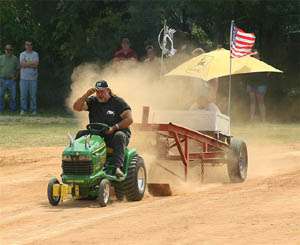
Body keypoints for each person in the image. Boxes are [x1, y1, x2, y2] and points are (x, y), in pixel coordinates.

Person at [73, 80, 133, 177]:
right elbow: (76, 107)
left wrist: (114, 128)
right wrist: (86, 95)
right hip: (97, 134)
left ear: (108, 90)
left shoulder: (118, 102)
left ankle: (117, 167)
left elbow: (129, 119)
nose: (100, 94)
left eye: (102, 91)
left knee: (119, 136)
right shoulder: (92, 101)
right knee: (81, 134)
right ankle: (77, 165)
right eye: (97, 92)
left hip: (114, 134)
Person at [246, 52, 267, 122]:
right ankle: (251, 119)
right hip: (251, 83)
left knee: (260, 101)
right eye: (254, 56)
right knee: (252, 101)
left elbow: (268, 72)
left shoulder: (262, 64)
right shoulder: (249, 64)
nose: (255, 57)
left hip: (260, 84)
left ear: (259, 57)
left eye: (256, 56)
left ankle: (263, 119)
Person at [19, 40, 39, 115]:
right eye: (27, 45)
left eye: (30, 45)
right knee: (23, 95)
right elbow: (22, 64)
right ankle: (23, 110)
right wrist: (31, 63)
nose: (28, 46)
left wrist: (26, 63)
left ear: (32, 46)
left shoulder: (35, 54)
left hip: (33, 78)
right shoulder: (22, 54)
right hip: (23, 78)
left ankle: (33, 110)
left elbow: (36, 64)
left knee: (33, 96)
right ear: (25, 46)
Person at [0, 44, 19, 112]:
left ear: (12, 50)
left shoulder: (15, 58)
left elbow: (18, 69)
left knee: (13, 96)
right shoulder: (1, 57)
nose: (8, 51)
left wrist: (15, 77)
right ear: (5, 50)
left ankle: (12, 110)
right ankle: (0, 109)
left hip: (12, 80)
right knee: (1, 95)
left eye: (10, 49)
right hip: (2, 80)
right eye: (7, 49)